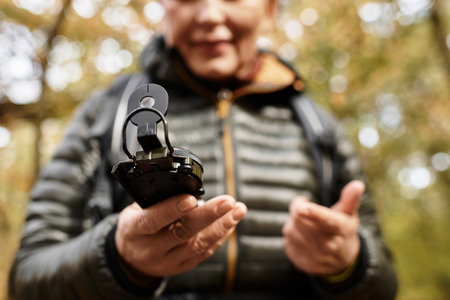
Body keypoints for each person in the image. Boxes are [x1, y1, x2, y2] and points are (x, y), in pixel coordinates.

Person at [9, 0, 398, 299]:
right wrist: (117, 257)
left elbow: (385, 285)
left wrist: (349, 262)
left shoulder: (319, 127)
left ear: (270, 10)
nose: (210, 15)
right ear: (164, 7)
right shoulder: (106, 115)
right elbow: (28, 278)